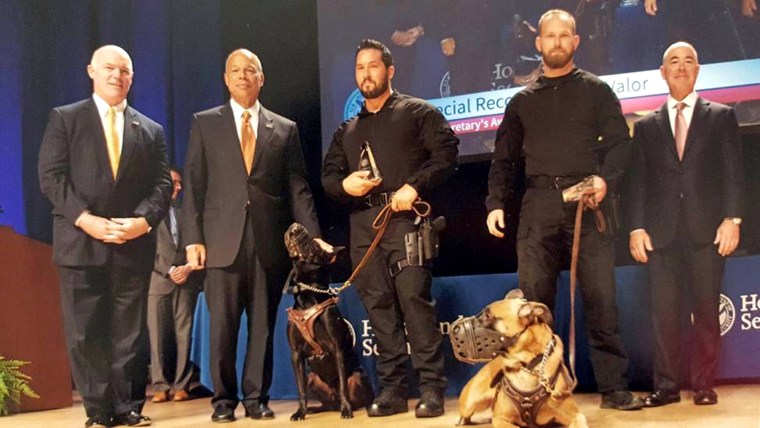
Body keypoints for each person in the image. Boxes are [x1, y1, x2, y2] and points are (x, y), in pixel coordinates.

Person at [485, 10, 643, 410]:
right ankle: (535, 394)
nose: (556, 42)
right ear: (537, 43)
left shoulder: (597, 91)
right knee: (533, 305)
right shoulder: (521, 101)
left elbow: (620, 145)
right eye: (548, 36)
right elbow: (504, 159)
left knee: (601, 299)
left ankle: (613, 389)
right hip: (538, 206)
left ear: (575, 42)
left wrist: (606, 179)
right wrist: (495, 203)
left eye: (564, 36)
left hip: (587, 204)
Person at [181, 49, 325, 423]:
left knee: (262, 327)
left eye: (251, 70)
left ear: (262, 79)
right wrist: (193, 238)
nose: (243, 76)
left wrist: (313, 237)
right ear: (226, 79)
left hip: (267, 242)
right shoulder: (204, 122)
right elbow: (194, 186)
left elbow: (297, 187)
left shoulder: (284, 128)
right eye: (235, 70)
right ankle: (223, 403)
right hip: (220, 242)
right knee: (222, 328)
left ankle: (257, 399)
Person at [322, 39, 459, 418]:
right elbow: (329, 177)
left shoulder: (418, 112)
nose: (366, 73)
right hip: (363, 227)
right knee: (379, 311)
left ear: (390, 70)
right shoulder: (346, 130)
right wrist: (344, 185)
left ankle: (431, 389)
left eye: (373, 66)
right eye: (360, 68)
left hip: (407, 221)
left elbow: (447, 153)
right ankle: (393, 391)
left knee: (415, 305)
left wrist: (415, 185)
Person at [38, 45, 172, 427]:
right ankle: (98, 411)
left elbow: (162, 184)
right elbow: (51, 177)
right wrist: (85, 219)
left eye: (125, 70)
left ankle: (129, 408)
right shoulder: (66, 119)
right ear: (91, 71)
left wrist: (142, 222)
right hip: (80, 243)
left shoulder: (150, 129)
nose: (117, 75)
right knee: (85, 332)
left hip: (133, 243)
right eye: (109, 68)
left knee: (130, 333)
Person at [628, 42, 744, 407]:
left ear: (698, 70)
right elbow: (638, 182)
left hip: (706, 230)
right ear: (662, 72)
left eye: (688, 61)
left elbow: (733, 174)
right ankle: (665, 386)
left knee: (707, 310)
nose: (681, 67)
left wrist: (733, 218)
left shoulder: (721, 116)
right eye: (673, 62)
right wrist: (636, 227)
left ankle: (704, 384)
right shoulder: (646, 126)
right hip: (660, 234)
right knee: (664, 314)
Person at [147, 166, 202, 404]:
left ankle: (181, 385)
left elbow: (195, 244)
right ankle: (160, 385)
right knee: (157, 335)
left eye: (181, 183)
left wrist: (187, 268)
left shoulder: (184, 213)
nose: (179, 187)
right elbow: (146, 250)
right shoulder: (148, 213)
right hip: (158, 281)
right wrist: (168, 270)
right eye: (175, 182)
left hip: (186, 279)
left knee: (185, 334)